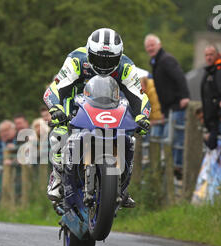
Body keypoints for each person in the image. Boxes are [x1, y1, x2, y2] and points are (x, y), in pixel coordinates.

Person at [43, 28, 151, 210]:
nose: (103, 64)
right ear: (89, 52)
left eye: (109, 60)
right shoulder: (77, 59)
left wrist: (142, 117)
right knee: (59, 133)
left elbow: (140, 97)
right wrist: (56, 109)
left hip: (111, 106)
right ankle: (58, 176)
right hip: (78, 103)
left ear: (120, 56)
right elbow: (54, 89)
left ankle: (122, 185)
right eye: (99, 58)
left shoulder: (126, 66)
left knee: (130, 138)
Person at [144, 34, 190, 179]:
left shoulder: (166, 60)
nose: (150, 48)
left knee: (176, 137)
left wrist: (184, 96)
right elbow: (160, 90)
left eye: (153, 45)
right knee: (167, 139)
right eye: (148, 46)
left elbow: (179, 77)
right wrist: (163, 111)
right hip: (168, 108)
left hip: (177, 104)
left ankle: (178, 166)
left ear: (159, 45)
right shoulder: (156, 62)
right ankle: (170, 168)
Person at [200, 45, 221, 149]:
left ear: (218, 55)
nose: (209, 57)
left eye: (211, 54)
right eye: (206, 55)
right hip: (213, 121)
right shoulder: (211, 71)